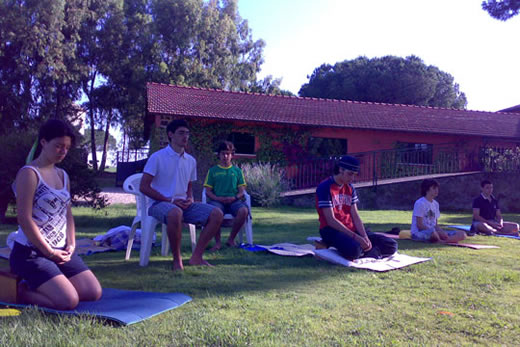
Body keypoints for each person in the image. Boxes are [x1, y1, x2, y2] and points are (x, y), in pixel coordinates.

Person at [9, 119, 102, 310]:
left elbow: (67, 215)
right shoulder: (30, 173)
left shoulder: (63, 175)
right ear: (43, 142)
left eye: (66, 148)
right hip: (31, 253)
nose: (63, 151)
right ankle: (21, 291)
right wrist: (49, 253)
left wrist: (72, 244)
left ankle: (51, 282)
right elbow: (24, 219)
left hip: (61, 250)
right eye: (58, 146)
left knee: (93, 293)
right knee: (69, 301)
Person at [139, 119, 223, 271]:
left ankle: (196, 257)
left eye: (187, 134)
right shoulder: (157, 157)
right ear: (170, 135)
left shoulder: (190, 160)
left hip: (183, 204)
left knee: (216, 213)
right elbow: (144, 187)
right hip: (158, 204)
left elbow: (189, 185)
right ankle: (177, 260)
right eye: (181, 133)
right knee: (175, 213)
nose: (185, 137)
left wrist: (190, 198)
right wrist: (169, 200)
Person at [315, 155, 397, 260]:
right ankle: (368, 252)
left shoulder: (350, 188)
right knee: (355, 250)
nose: (352, 178)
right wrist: (356, 238)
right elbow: (331, 220)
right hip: (331, 230)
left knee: (391, 245)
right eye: (350, 174)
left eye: (354, 175)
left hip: (351, 229)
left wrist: (365, 237)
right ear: (341, 169)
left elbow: (355, 215)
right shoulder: (325, 187)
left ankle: (367, 251)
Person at [203, 141, 249, 250]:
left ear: (232, 155)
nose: (225, 156)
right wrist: (218, 198)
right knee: (215, 212)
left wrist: (235, 198)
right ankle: (217, 243)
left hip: (234, 201)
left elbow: (242, 191)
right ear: (218, 155)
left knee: (243, 211)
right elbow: (208, 191)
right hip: (217, 201)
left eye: (228, 153)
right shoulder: (213, 171)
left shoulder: (237, 171)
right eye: (223, 153)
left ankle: (231, 239)